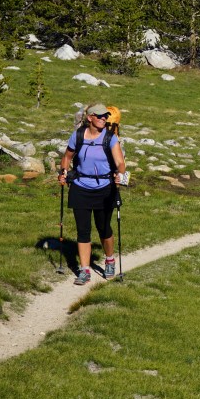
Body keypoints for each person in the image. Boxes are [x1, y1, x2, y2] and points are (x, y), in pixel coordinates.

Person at [58, 103, 127, 285]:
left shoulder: (110, 138)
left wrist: (120, 174)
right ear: (90, 118)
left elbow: (120, 162)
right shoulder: (78, 135)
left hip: (105, 188)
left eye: (106, 116)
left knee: (104, 228)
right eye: (100, 116)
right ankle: (85, 270)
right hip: (80, 186)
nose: (104, 118)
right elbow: (67, 156)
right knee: (83, 231)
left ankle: (110, 260)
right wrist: (63, 172)